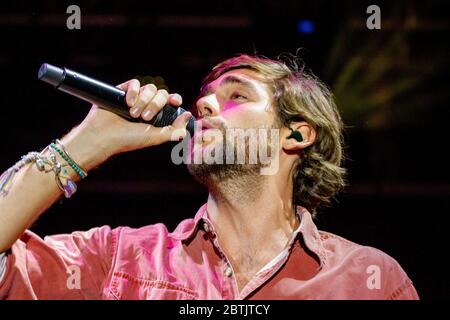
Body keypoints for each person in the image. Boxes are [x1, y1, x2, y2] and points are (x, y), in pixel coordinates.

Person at [0, 54, 418, 300]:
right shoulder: (118, 258)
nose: (205, 106)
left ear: (296, 134)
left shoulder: (368, 278)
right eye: (205, 99)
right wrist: (87, 145)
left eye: (237, 95)